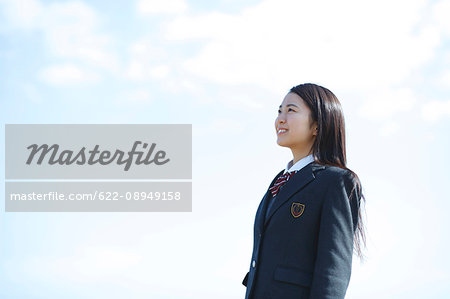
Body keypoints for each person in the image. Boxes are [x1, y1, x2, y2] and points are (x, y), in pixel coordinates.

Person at [242, 83, 365, 299]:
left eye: (291, 110)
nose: (280, 118)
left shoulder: (336, 181)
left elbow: (332, 272)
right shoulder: (279, 181)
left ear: (317, 126)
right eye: (279, 111)